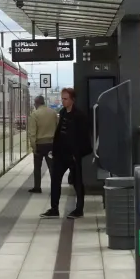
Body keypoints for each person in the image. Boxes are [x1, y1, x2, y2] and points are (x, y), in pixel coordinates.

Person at [40, 87, 92, 220]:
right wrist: (55, 150)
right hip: (61, 155)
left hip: (73, 155)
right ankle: (54, 209)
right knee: (55, 180)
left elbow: (84, 137)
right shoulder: (62, 112)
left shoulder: (80, 115)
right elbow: (59, 134)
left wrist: (77, 154)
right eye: (62, 98)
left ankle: (79, 209)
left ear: (72, 99)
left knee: (77, 182)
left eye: (65, 99)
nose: (63, 101)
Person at [27, 95, 58, 193]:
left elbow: (32, 133)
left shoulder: (35, 114)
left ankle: (37, 187)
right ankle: (55, 187)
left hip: (39, 145)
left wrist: (33, 147)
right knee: (52, 168)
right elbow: (58, 129)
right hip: (51, 145)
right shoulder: (53, 113)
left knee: (37, 168)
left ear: (37, 103)